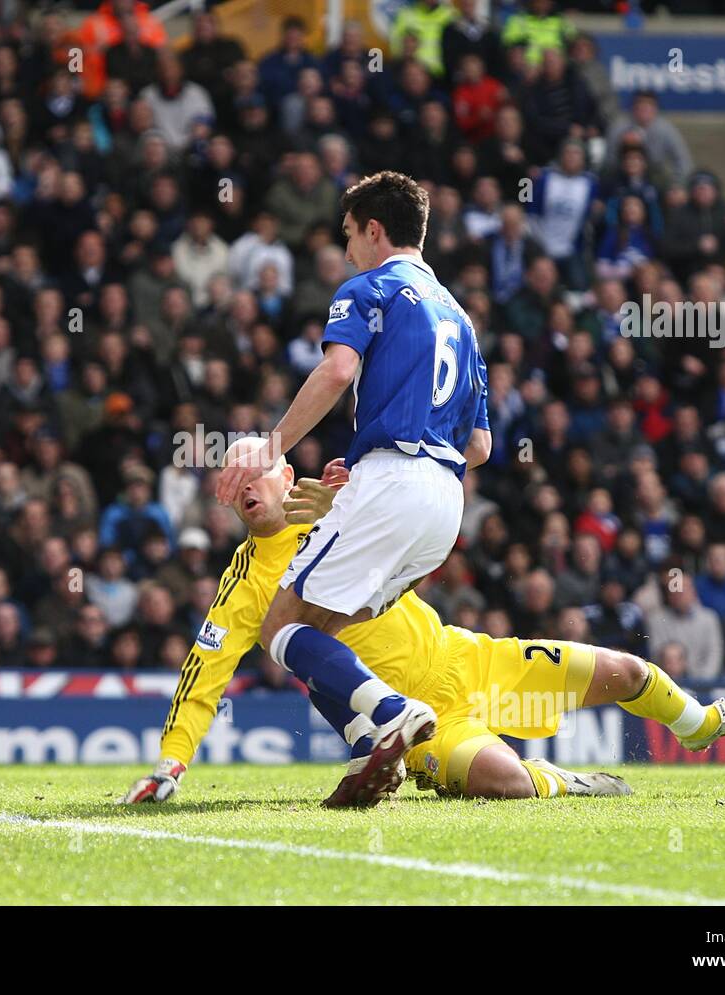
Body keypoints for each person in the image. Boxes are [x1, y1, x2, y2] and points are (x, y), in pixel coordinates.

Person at [123, 442, 725, 806]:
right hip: (421, 723)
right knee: (505, 781)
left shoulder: (335, 508)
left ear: (285, 472)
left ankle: (701, 724)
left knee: (626, 670)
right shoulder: (242, 586)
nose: (242, 480)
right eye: (230, 472)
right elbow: (202, 675)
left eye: (254, 466)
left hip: (468, 659)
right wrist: (172, 761)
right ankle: (569, 781)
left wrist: (352, 496)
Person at [215, 171, 492, 806]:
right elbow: (479, 447)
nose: (346, 252)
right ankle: (372, 748)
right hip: (446, 504)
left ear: (374, 229)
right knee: (323, 632)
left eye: (348, 236)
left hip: (392, 478)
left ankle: (390, 711)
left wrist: (274, 444)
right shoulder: (460, 317)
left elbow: (339, 368)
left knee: (280, 627)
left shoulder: (371, 287)